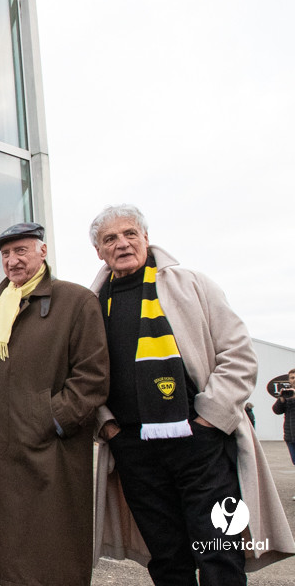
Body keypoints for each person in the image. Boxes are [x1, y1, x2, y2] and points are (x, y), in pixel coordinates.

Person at [90, 205, 295, 579]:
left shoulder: (192, 284)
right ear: (99, 251)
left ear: (146, 238)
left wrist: (210, 419)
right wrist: (108, 426)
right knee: (167, 557)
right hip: (134, 448)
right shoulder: (91, 304)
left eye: (130, 233)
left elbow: (238, 354)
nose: (122, 243)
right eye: (110, 238)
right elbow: (84, 372)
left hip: (199, 443)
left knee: (218, 550)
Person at [0, 222, 109, 586]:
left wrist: (48, 418)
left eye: (21, 251)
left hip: (50, 450)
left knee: (48, 556)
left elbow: (92, 378)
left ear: (42, 252)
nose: (12, 261)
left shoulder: (76, 301)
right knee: (2, 557)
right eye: (5, 254)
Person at [274, 367, 295, 468]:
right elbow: (277, 411)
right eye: (292, 378)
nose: (294, 380)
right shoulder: (287, 394)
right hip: (290, 436)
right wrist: (281, 399)